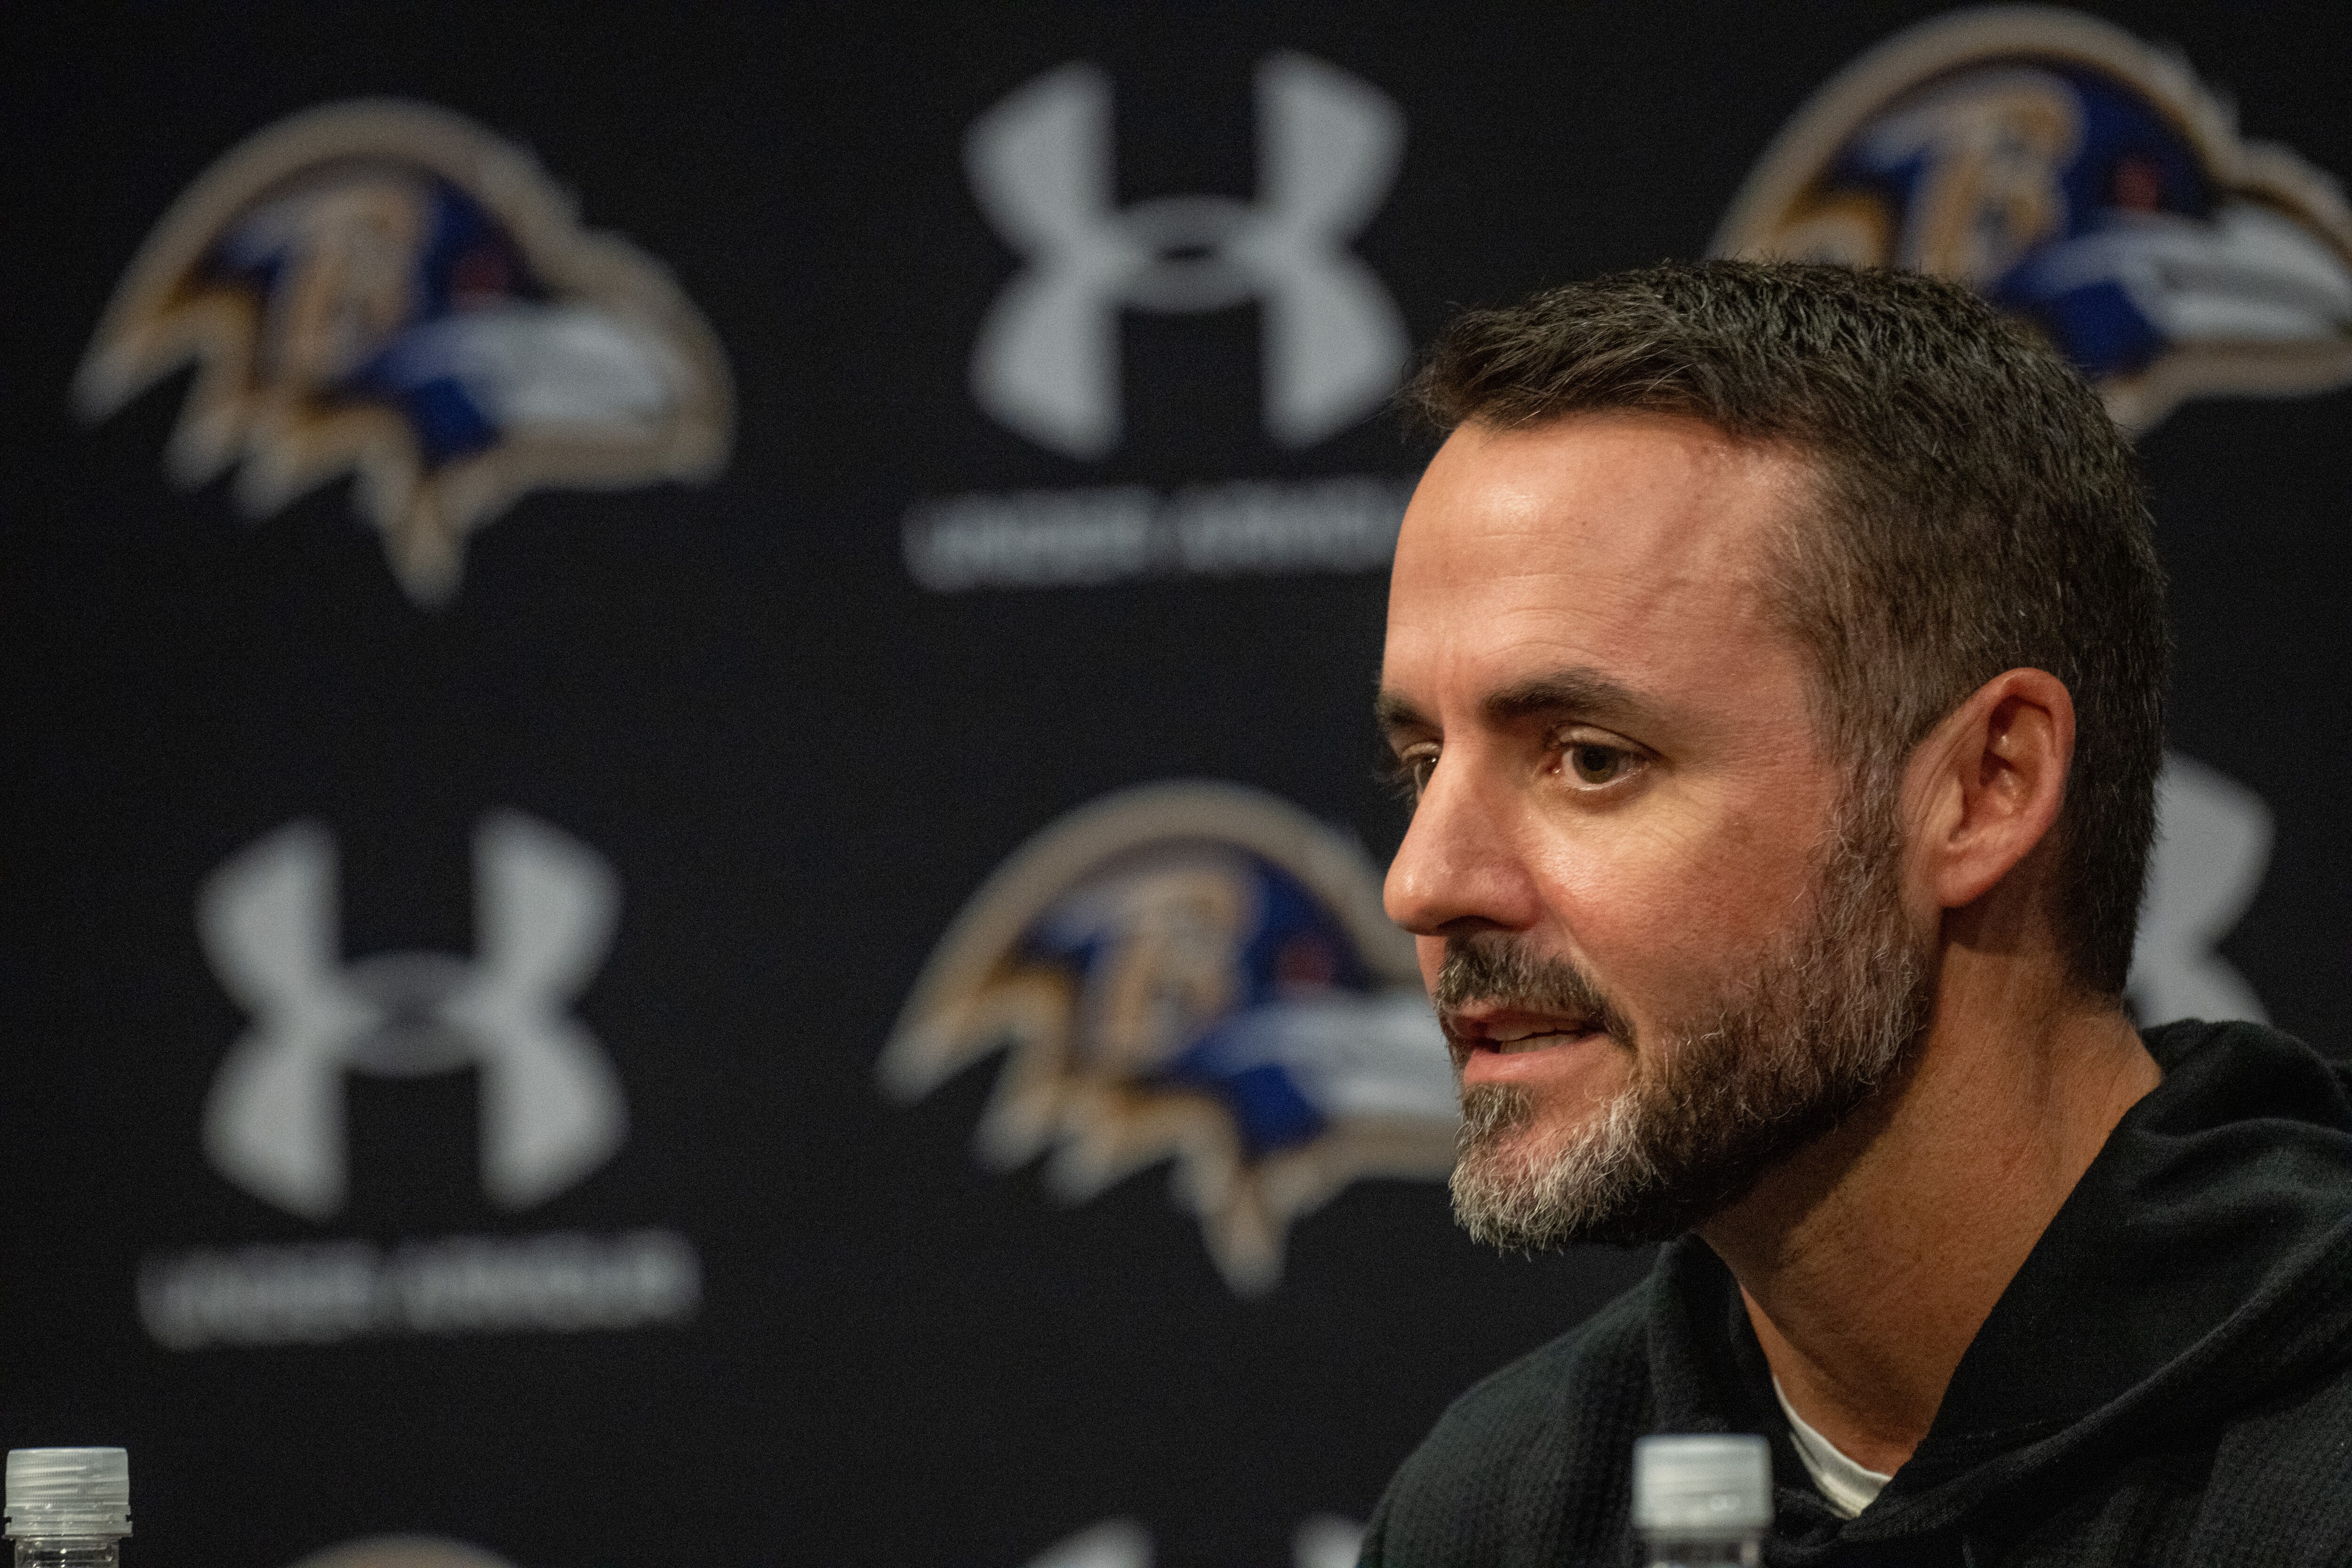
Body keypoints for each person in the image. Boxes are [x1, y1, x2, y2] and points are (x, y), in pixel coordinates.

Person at [1360, 261, 2352, 1566]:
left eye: (1590, 758)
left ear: (1986, 788)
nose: (1423, 885)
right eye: (1423, 767)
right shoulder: (1505, 1513)